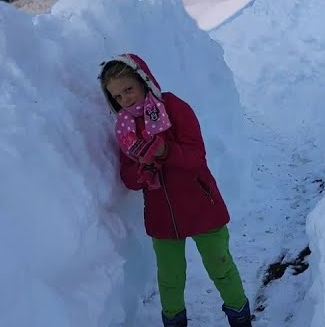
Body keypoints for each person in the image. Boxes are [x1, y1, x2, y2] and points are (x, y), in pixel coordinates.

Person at [100, 54, 252, 327]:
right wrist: (141, 172)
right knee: (170, 279)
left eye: (128, 89)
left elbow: (196, 156)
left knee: (221, 267)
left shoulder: (173, 107)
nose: (125, 100)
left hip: (201, 204)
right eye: (117, 97)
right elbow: (127, 177)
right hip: (163, 217)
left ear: (144, 81)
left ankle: (240, 318)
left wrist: (165, 150)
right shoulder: (125, 129)